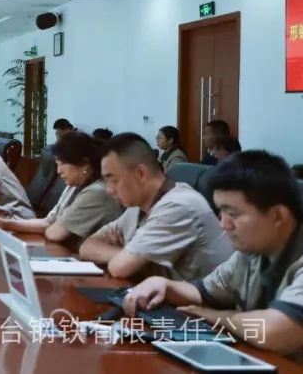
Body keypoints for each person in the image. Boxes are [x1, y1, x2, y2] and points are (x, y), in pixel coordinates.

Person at [122, 151, 303, 361]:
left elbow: (275, 331)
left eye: (232, 214)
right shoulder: (252, 253)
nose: (223, 224)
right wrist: (164, 285)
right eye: (220, 212)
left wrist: (216, 317)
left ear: (277, 216)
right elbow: (204, 292)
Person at [79, 133, 233, 281]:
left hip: (198, 298)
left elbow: (119, 268)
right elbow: (86, 246)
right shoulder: (138, 205)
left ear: (140, 173)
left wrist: (128, 256)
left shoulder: (178, 205)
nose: (109, 190)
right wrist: (128, 254)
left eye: (113, 180)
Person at [0, 131, 123, 245]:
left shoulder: (96, 192)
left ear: (84, 164)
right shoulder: (73, 186)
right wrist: (4, 223)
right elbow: (48, 222)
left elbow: (55, 233)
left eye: (62, 164)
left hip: (93, 264)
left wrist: (53, 227)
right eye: (57, 164)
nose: (58, 171)